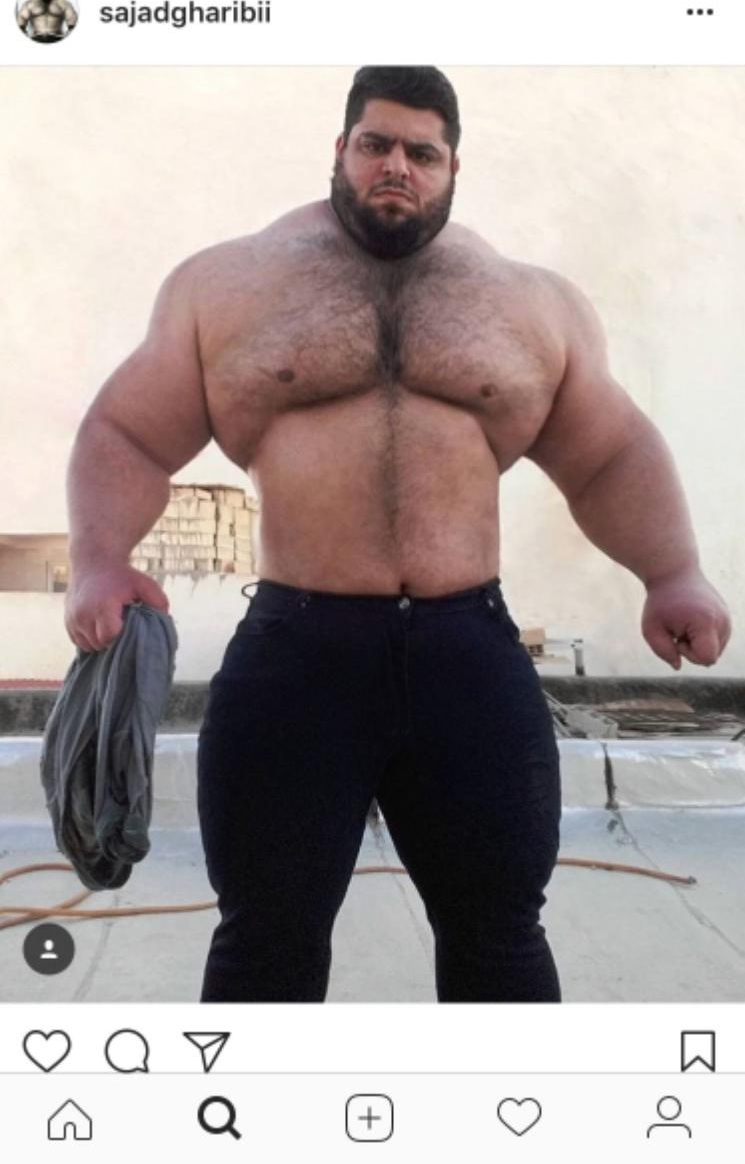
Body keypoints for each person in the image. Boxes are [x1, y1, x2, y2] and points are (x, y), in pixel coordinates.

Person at [64, 66, 732, 1002]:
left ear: (453, 168)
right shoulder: (228, 285)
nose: (396, 167)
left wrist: (672, 572)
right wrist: (99, 561)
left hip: (468, 653)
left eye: (422, 152)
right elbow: (128, 432)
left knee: (499, 930)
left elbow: (607, 452)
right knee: (265, 936)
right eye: (375, 144)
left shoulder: (527, 301)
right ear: (340, 149)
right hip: (298, 655)